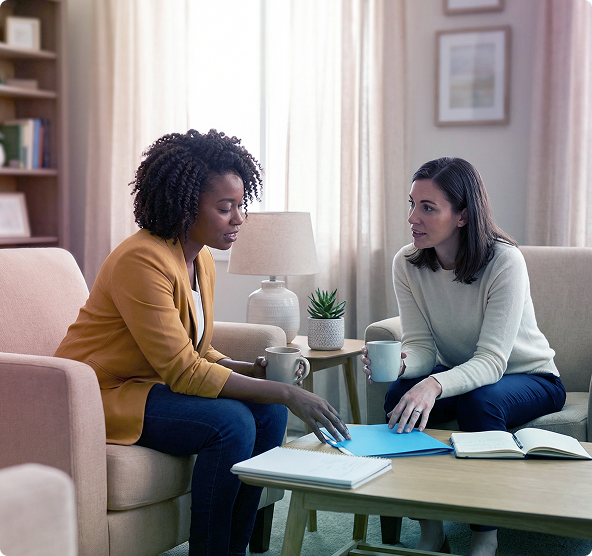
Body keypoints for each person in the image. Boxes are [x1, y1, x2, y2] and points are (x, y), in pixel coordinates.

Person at [55, 129, 350, 556]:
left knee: (267, 414)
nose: (238, 219)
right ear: (184, 206)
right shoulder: (142, 260)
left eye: (240, 205)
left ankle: (234, 546)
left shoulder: (200, 257)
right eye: (225, 208)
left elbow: (197, 350)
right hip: (102, 394)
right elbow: (184, 370)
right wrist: (287, 392)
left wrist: (252, 372)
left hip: (148, 386)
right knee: (230, 422)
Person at [361, 157, 565, 556]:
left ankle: (485, 535)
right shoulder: (407, 263)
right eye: (412, 203)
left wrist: (433, 383)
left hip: (532, 376)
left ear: (462, 215)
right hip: (461, 370)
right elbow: (420, 345)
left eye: (427, 207)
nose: (412, 217)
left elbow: (492, 362)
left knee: (480, 402)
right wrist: (404, 366)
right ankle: (431, 529)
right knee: (397, 398)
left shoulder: (505, 261)